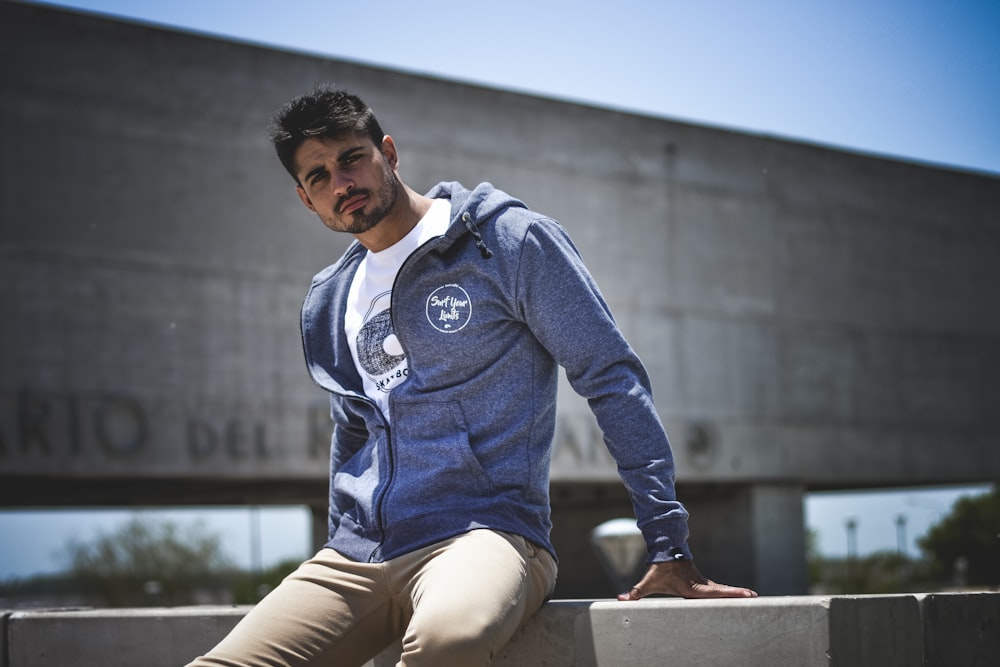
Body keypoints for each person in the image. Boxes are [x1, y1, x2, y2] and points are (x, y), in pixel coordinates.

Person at [186, 86, 756, 667]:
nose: (341, 183)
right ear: (307, 200)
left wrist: (667, 542)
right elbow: (352, 433)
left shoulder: (506, 242)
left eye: (352, 158)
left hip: (488, 536)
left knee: (447, 644)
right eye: (318, 176)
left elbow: (612, 379)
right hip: (360, 555)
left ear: (388, 151)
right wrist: (339, 544)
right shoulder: (331, 297)